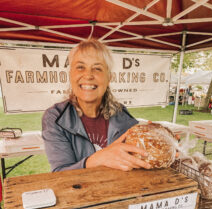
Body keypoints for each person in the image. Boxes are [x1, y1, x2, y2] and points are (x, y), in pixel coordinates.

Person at [42, 39, 151, 172]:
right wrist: (99, 159)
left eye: (97, 68)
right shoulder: (56, 117)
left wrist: (154, 143)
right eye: (80, 67)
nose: (88, 75)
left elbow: (137, 156)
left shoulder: (121, 113)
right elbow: (59, 173)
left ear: (109, 77)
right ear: (70, 74)